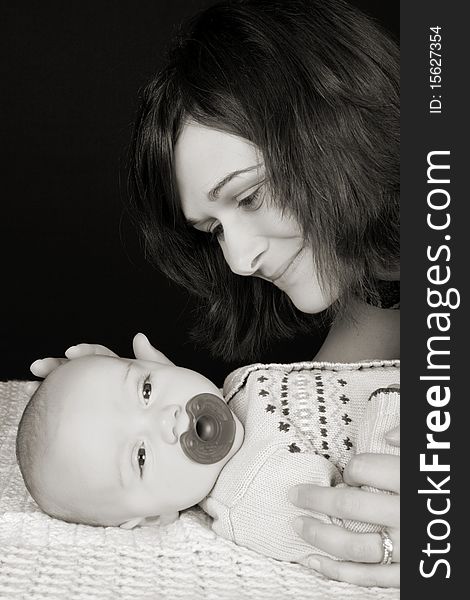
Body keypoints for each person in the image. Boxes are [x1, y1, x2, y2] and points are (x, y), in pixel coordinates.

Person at [32, 0, 401, 586]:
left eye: (250, 196)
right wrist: (118, 410)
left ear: (338, 125)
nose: (238, 258)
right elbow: (330, 417)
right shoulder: (378, 291)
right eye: (213, 230)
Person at [19, 337, 399, 581]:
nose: (165, 418)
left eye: (146, 389)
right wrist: (395, 407)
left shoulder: (235, 390)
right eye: (140, 456)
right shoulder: (253, 501)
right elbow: (361, 527)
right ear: (153, 515)